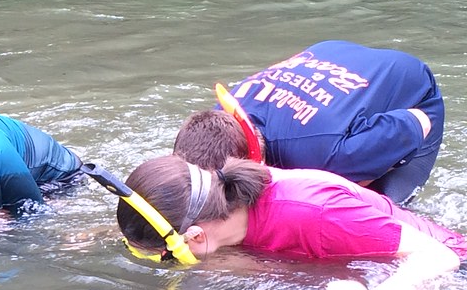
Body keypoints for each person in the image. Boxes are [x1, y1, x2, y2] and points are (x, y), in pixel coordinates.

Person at [110, 154, 467, 290]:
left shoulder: (315, 212)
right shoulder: (225, 206)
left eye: (166, 256)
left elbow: (440, 256)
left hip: (452, 271)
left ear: (195, 237)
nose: (166, 261)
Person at [173, 40, 444, 205]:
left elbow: (418, 122)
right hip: (331, 54)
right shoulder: (221, 115)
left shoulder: (328, 156)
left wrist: (364, 172)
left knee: (376, 209)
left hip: (415, 99)